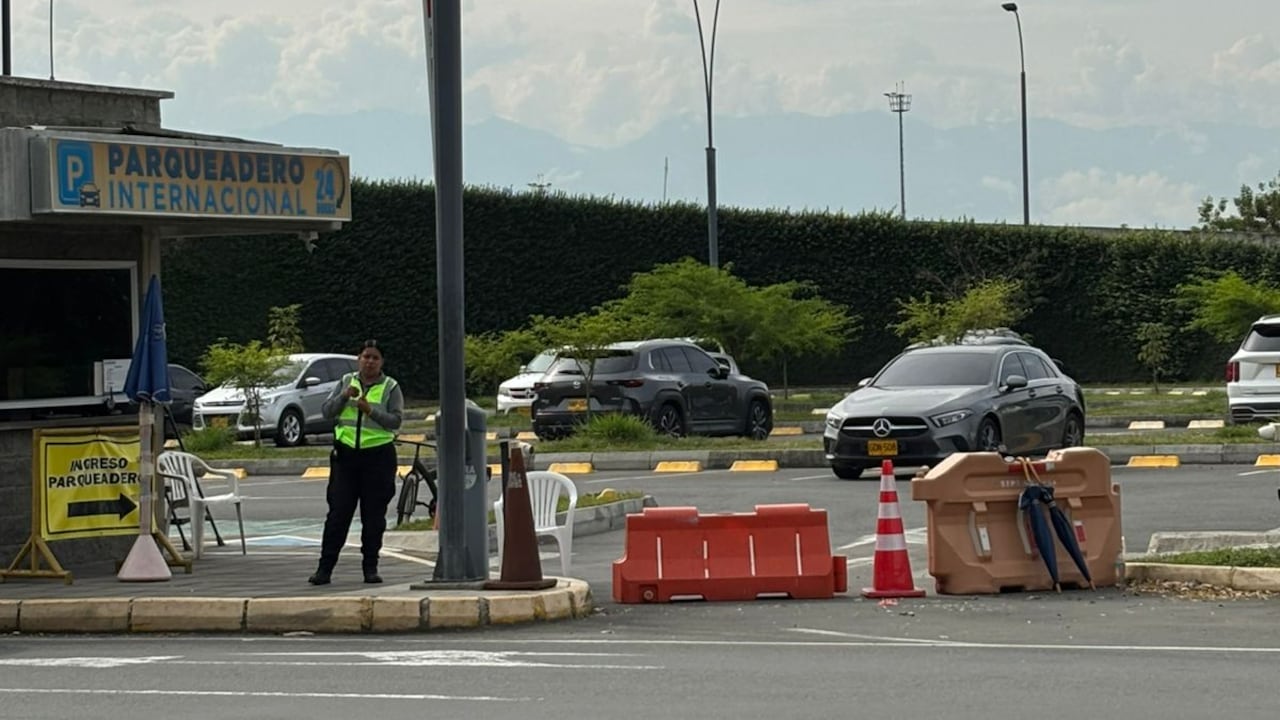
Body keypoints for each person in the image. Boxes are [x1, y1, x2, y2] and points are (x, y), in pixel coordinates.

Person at [309, 340, 404, 585]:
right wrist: (343, 396)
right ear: (358, 358)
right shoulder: (345, 381)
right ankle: (324, 569)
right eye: (365, 356)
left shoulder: (391, 387)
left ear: (381, 362)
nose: (369, 361)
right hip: (346, 457)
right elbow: (327, 411)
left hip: (378, 457)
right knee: (338, 514)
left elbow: (395, 421)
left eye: (375, 357)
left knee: (373, 516)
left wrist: (370, 410)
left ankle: (370, 568)